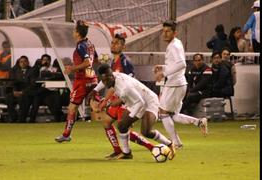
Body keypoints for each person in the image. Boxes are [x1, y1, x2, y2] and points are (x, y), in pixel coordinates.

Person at [89, 34, 154, 159]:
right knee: (107, 122)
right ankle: (118, 150)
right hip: (116, 98)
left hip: (125, 100)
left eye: (117, 43)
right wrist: (103, 97)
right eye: (112, 42)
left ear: (123, 47)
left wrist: (106, 100)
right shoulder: (113, 62)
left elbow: (128, 84)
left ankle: (152, 148)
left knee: (124, 128)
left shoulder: (125, 62)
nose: (113, 44)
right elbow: (112, 84)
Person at [96, 64, 175, 160]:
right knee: (121, 126)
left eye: (107, 80)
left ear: (112, 76)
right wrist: (95, 90)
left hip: (149, 102)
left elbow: (141, 103)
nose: (105, 83)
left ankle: (169, 143)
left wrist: (131, 118)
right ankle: (126, 153)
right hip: (135, 101)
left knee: (146, 132)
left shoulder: (125, 87)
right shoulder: (114, 76)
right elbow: (105, 82)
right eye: (103, 80)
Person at [153, 20, 208, 151]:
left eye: (168, 31)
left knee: (163, 114)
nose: (165, 34)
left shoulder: (174, 46)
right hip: (178, 84)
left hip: (174, 85)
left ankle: (176, 143)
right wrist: (164, 67)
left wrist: (164, 73)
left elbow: (182, 64)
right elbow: (176, 64)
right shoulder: (175, 43)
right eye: (163, 31)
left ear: (174, 32)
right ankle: (199, 122)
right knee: (172, 115)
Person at [55, 20, 98, 142]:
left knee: (72, 108)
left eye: (74, 30)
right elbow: (95, 61)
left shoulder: (80, 46)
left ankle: (66, 134)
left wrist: (73, 68)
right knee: (97, 106)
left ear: (78, 33)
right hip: (92, 78)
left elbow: (87, 62)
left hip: (83, 81)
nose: (73, 32)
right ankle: (119, 118)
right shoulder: (90, 44)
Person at [5, 55, 34, 123]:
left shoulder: (32, 71)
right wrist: (14, 91)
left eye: (25, 61)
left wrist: (22, 92)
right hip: (16, 91)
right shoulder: (15, 71)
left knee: (23, 99)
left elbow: (32, 84)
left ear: (28, 62)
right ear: (19, 63)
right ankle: (13, 118)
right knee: (8, 98)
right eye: (21, 62)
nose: (23, 63)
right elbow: (12, 82)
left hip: (26, 92)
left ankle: (21, 119)